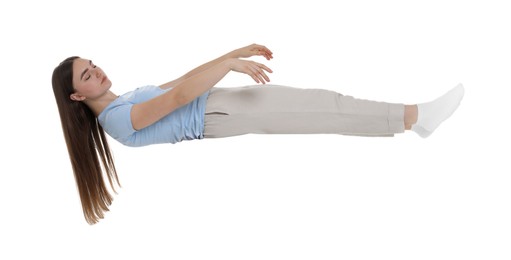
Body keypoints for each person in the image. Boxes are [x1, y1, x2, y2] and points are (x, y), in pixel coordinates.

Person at [52, 43, 464, 224]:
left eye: (94, 63)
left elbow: (182, 80)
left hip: (219, 102)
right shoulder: (117, 121)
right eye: (87, 75)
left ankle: (413, 119)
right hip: (218, 113)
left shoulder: (120, 100)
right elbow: (178, 97)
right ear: (75, 95)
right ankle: (415, 117)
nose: (98, 72)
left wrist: (231, 55)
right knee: (323, 108)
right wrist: (229, 67)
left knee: (321, 103)